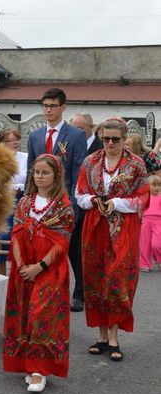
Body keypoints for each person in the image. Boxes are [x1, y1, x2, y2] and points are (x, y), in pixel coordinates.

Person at [76, 117, 148, 362]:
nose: (109, 143)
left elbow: (143, 199)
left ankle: (115, 337)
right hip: (95, 228)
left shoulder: (136, 164)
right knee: (96, 279)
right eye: (105, 138)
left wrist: (116, 203)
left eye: (115, 139)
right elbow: (80, 194)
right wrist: (94, 201)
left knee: (118, 280)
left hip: (124, 228)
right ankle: (102, 336)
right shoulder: (90, 162)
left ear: (124, 139)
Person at [3, 154, 74, 393]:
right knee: (24, 315)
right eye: (37, 172)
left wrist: (39, 267)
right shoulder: (25, 202)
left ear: (56, 175)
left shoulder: (63, 204)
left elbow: (62, 242)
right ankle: (28, 364)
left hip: (49, 270)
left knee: (41, 316)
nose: (40, 177)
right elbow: (16, 234)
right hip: (24, 269)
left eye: (46, 173)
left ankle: (39, 371)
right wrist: (22, 265)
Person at [27, 88, 86, 313]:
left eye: (53, 106)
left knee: (72, 251)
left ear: (63, 108)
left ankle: (79, 293)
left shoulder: (75, 135)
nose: (48, 110)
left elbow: (77, 171)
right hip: (40, 202)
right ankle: (43, 289)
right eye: (45, 106)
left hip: (65, 202)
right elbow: (32, 169)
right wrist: (28, 200)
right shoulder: (34, 136)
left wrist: (71, 205)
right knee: (40, 249)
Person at [67, 113, 103, 312]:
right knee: (73, 251)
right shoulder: (70, 143)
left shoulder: (98, 148)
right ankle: (81, 290)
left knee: (84, 251)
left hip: (91, 207)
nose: (77, 132)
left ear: (91, 127)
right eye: (74, 127)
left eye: (81, 128)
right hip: (71, 204)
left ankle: (82, 293)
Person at [0, 128, 28, 275]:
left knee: (21, 237)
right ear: (2, 143)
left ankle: (18, 273)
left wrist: (19, 187)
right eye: (10, 140)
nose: (14, 143)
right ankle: (2, 274)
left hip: (22, 200)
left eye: (17, 139)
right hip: (4, 201)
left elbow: (29, 179)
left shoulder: (26, 157)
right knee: (2, 237)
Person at [140, 175, 161, 272]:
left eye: (159, 185)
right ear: (148, 186)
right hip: (146, 222)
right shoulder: (145, 197)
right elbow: (140, 209)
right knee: (145, 244)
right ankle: (145, 264)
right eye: (154, 185)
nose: (157, 187)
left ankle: (159, 259)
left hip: (158, 222)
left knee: (156, 244)